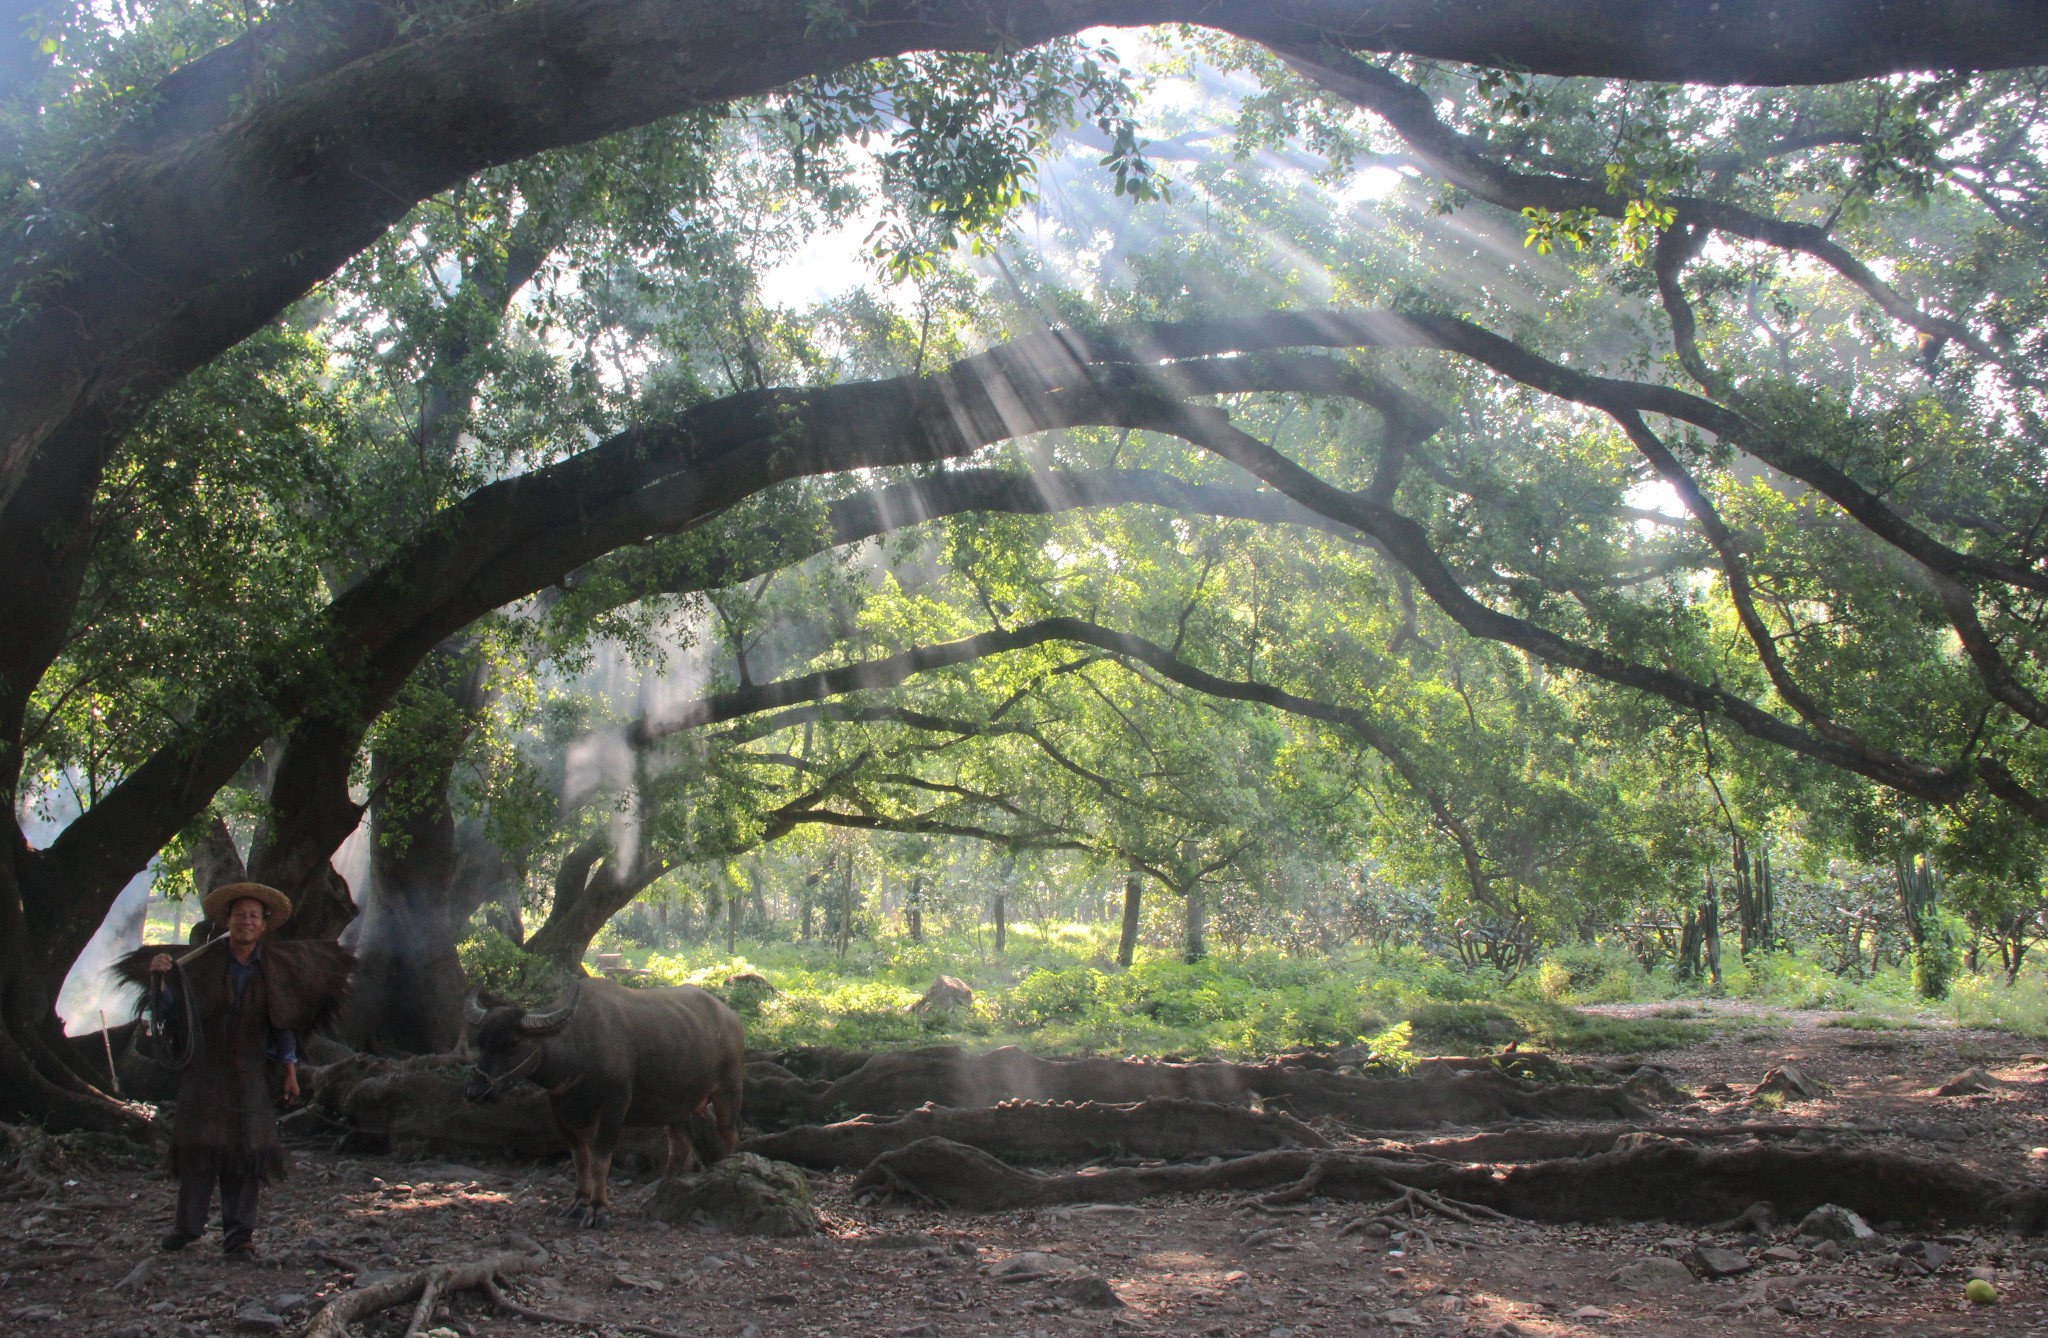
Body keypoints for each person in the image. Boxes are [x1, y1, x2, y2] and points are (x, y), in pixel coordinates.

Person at [124, 881, 351, 1260]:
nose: (246, 921)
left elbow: (283, 1023)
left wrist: (290, 1069)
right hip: (205, 1070)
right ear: (227, 920)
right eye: (240, 915)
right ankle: (187, 1228)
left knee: (247, 1153)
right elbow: (172, 1007)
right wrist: (160, 977)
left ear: (263, 925)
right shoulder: (199, 964)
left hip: (250, 1071)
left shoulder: (276, 969)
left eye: (253, 916)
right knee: (198, 1150)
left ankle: (239, 1237)